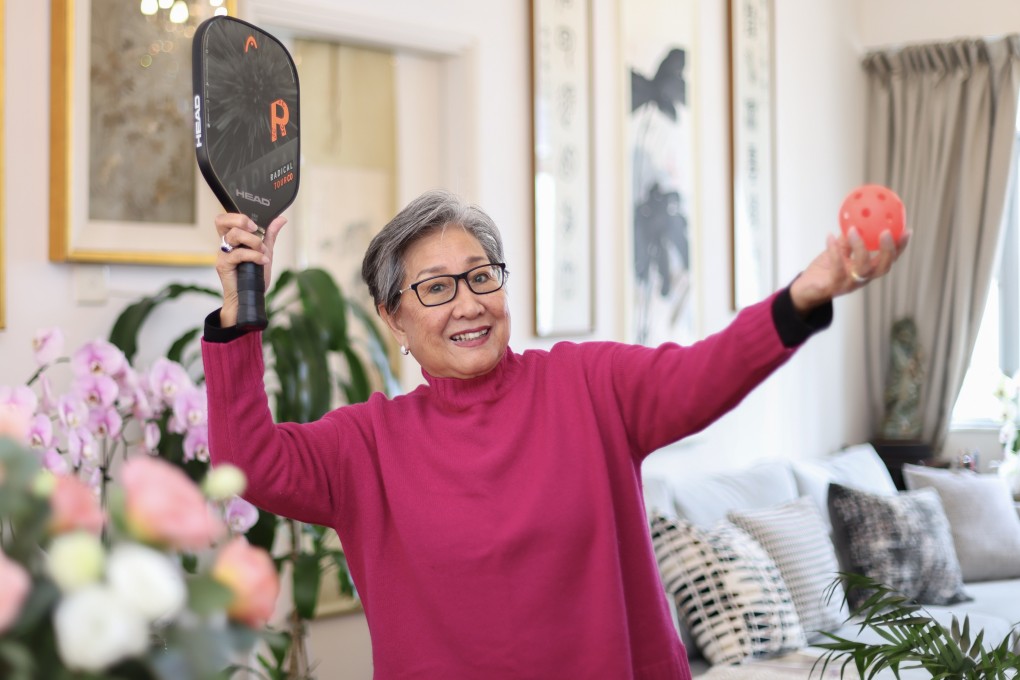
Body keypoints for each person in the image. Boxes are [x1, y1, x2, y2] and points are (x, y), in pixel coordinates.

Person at [204, 189, 909, 680]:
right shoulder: (366, 445)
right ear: (394, 317)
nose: (470, 304)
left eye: (482, 276)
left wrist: (803, 296)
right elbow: (250, 464)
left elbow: (704, 375)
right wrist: (240, 323)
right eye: (437, 288)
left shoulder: (588, 384)